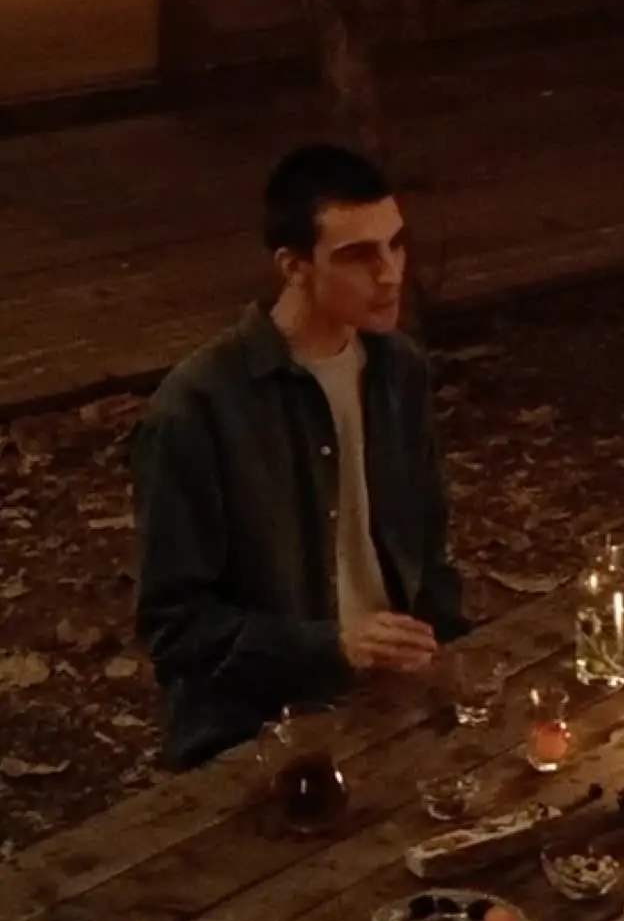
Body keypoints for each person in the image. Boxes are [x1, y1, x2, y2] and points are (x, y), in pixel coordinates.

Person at [132, 143, 471, 769]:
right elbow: (175, 628)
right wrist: (331, 646)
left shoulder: (398, 370)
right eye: (358, 255)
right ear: (294, 266)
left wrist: (448, 651)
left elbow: (428, 551)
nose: (390, 273)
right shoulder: (198, 406)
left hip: (398, 696)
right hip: (263, 725)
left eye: (396, 244)